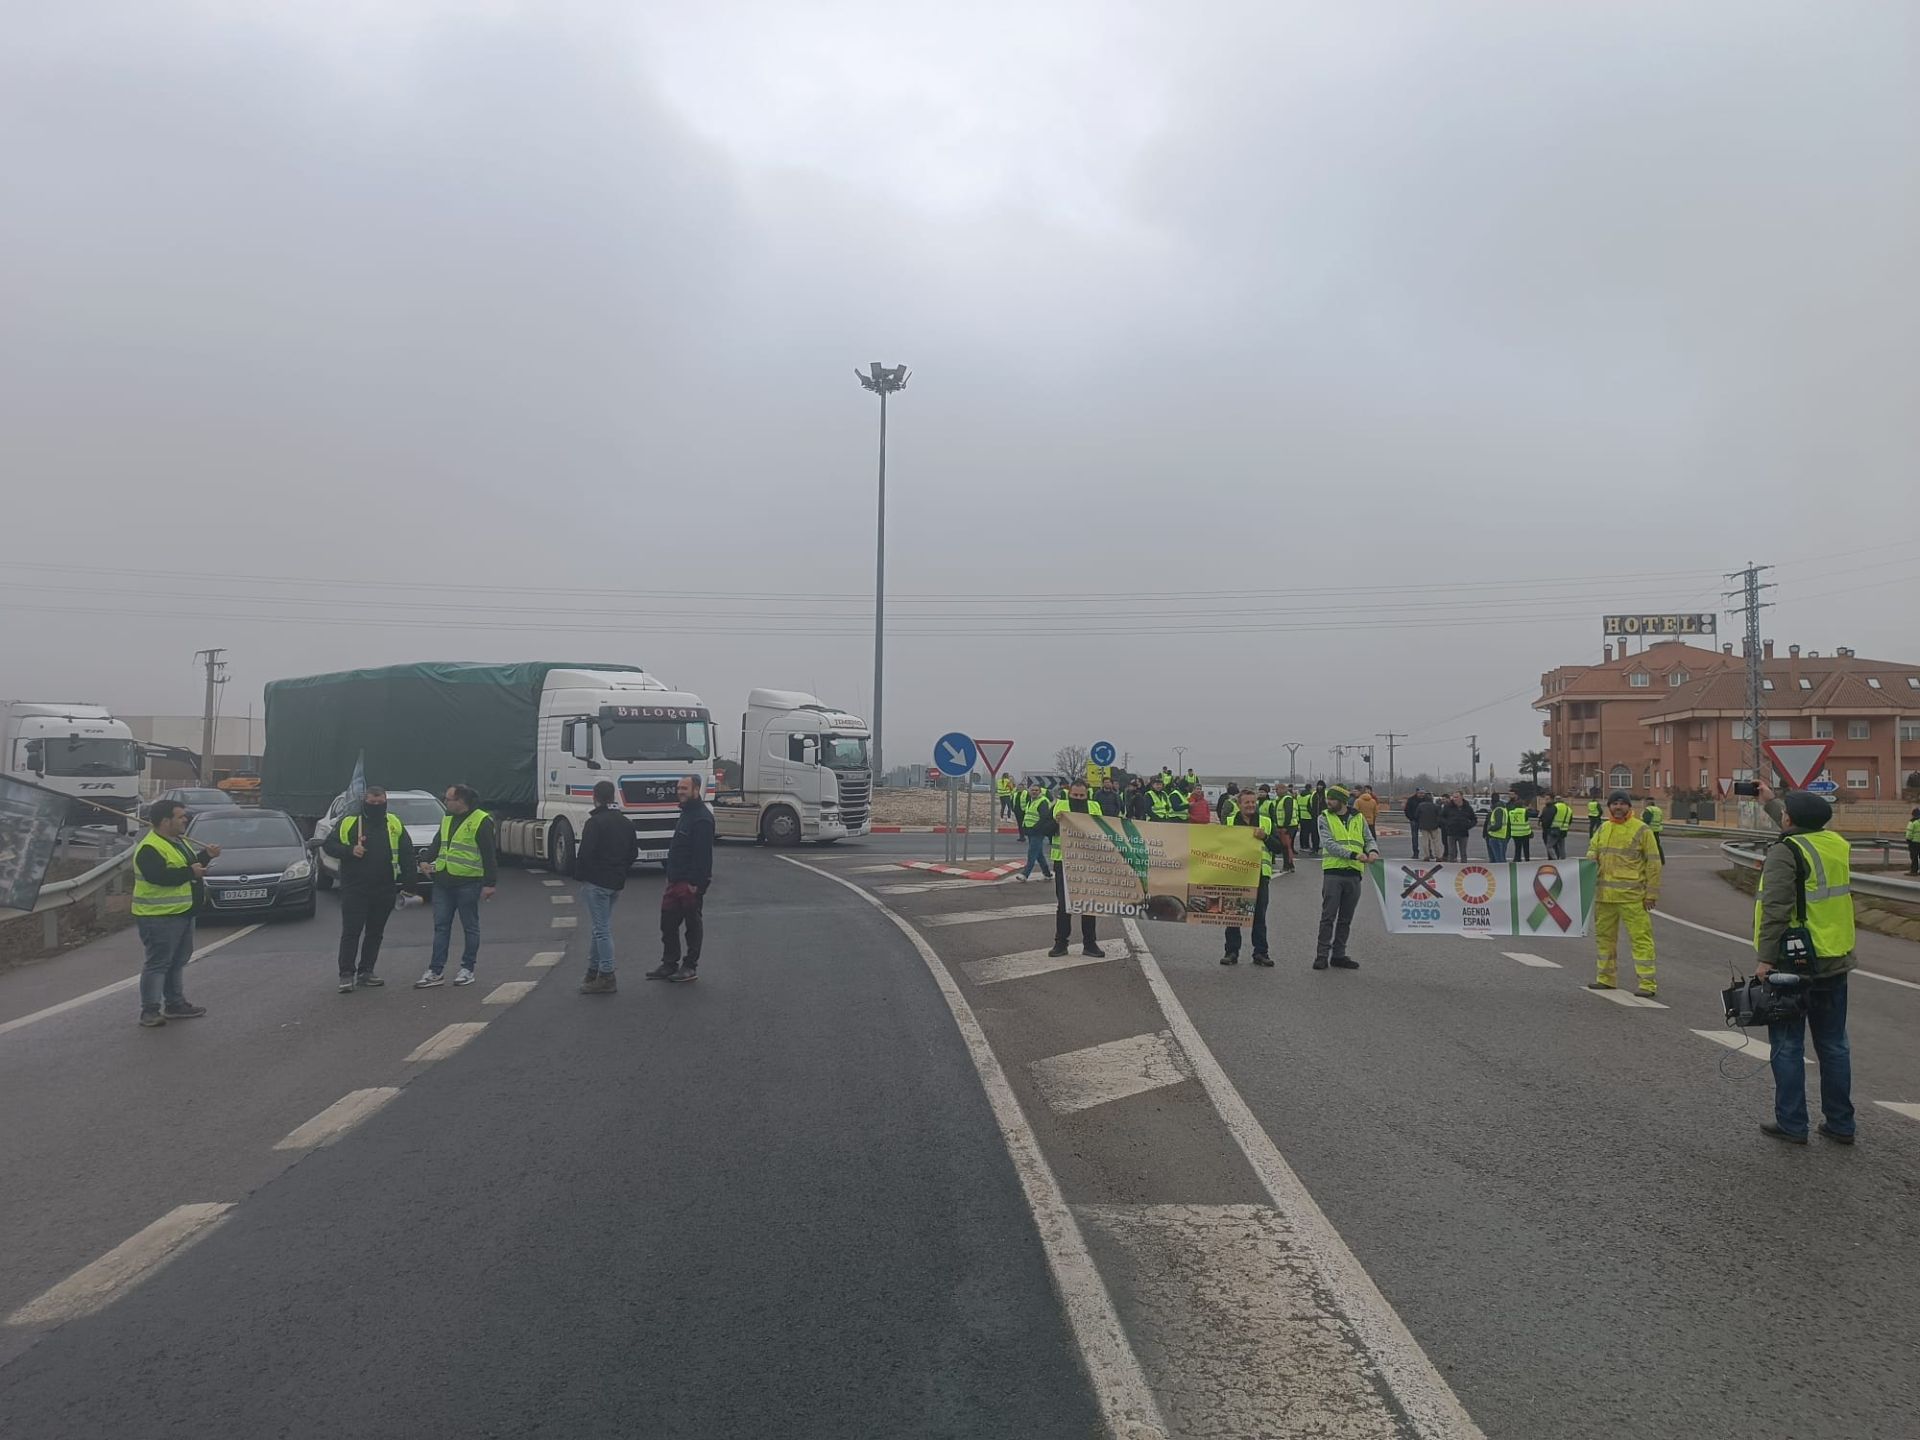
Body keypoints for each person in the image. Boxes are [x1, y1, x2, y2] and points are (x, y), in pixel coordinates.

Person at [1753, 782, 1855, 1145]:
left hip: (1793, 963)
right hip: (1835, 959)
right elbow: (1803, 831)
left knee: (1787, 1044)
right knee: (1833, 1044)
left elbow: (1776, 909)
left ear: (1790, 820)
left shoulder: (1785, 851)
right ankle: (1841, 1124)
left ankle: (1793, 1124)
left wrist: (1765, 959)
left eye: (1783, 814)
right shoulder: (1836, 844)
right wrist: (1770, 802)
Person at [131, 798, 217, 1027]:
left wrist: (206, 856)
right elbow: (159, 876)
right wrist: (191, 872)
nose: (185, 819)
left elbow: (188, 865)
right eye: (180, 816)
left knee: (177, 961)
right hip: (158, 916)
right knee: (158, 963)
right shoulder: (150, 847)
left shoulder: (178, 841)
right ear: (166, 821)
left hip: (182, 912)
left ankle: (175, 1004)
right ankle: (149, 1011)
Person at [324, 785, 415, 994]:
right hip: (355, 887)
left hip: (384, 887)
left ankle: (366, 971)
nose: (376, 806)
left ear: (385, 802)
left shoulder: (394, 822)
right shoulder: (349, 821)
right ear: (364, 802)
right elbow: (329, 845)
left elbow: (407, 853)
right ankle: (346, 974)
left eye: (380, 802)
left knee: (375, 933)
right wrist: (349, 850)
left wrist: (410, 884)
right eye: (372, 803)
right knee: (352, 931)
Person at [415, 783, 497, 988]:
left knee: (470, 927)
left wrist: (490, 884)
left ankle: (467, 969)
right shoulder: (447, 818)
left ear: (461, 801)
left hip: (468, 882)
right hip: (443, 881)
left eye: (448, 799)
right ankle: (435, 971)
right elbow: (438, 843)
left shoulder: (481, 821)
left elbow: (489, 854)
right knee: (441, 926)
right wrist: (424, 859)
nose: (445, 801)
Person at [1585, 790, 1661, 998]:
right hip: (1604, 896)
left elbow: (1654, 864)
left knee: (1640, 939)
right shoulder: (1603, 829)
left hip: (1632, 896)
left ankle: (1647, 983)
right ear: (1609, 807)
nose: (1618, 807)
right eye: (1614, 803)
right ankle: (1606, 979)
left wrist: (1651, 894)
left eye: (1622, 803)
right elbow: (1592, 853)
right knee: (1603, 938)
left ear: (1629, 806)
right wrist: (1591, 859)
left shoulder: (1641, 830)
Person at [575, 779, 639, 994]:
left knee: (601, 930)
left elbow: (585, 854)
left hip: (597, 882)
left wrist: (584, 876)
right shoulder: (625, 822)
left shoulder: (595, 823)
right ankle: (592, 971)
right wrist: (619, 870)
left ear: (595, 796)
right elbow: (633, 853)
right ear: (613, 796)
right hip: (616, 882)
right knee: (598, 927)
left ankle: (607, 974)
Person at [650, 774, 714, 982]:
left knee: (692, 925)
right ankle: (669, 963)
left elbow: (703, 855)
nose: (680, 791)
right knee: (667, 923)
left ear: (696, 790)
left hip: (689, 883)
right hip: (675, 881)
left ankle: (689, 966)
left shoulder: (702, 818)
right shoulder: (686, 813)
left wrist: (697, 884)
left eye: (684, 788)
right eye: (679, 788)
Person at [1312, 786, 1378, 971]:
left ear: (1341, 800)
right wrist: (1353, 855)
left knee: (1346, 918)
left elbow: (1368, 838)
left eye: (1332, 799)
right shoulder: (1324, 817)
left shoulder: (1358, 817)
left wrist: (1372, 851)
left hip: (1354, 874)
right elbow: (1329, 844)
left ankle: (1339, 954)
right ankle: (1322, 955)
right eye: (1328, 799)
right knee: (1328, 917)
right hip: (1334, 872)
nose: (1328, 802)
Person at [1047, 780, 1106, 959]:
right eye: (1075, 795)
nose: (1078, 799)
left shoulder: (1095, 807)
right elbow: (1043, 829)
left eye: (1082, 796)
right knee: (1064, 905)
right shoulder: (1060, 806)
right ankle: (1060, 943)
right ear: (1069, 793)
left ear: (1087, 794)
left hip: (1089, 863)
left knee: (1088, 904)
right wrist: (1056, 823)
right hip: (1064, 863)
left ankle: (1089, 944)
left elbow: (1104, 831)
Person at [1221, 791, 1279, 966]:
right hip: (1236, 874)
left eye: (1253, 802)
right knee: (1233, 915)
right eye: (1247, 802)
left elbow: (1278, 847)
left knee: (1259, 916)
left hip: (1260, 875)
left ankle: (1260, 953)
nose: (1251, 805)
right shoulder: (1230, 822)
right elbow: (1219, 845)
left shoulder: (1266, 822)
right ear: (1239, 804)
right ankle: (1231, 952)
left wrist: (1265, 837)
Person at [1017, 779, 1053, 881]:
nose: (1034, 792)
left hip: (1038, 832)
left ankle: (1025, 874)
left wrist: (1035, 828)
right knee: (1039, 854)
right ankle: (1047, 874)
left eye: (1036, 790)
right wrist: (1025, 827)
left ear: (1040, 792)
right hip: (1030, 831)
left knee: (1032, 853)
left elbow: (1044, 817)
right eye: (1032, 790)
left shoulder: (1043, 802)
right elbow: (1028, 815)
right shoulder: (1031, 801)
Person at [1441, 792, 1476, 862]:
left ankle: (1463, 867)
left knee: (1463, 853)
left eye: (1456, 797)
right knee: (1451, 853)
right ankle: (1452, 869)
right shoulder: (1448, 807)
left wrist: (1468, 826)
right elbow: (1441, 817)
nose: (1454, 799)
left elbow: (1474, 819)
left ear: (1461, 797)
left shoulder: (1468, 807)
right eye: (1454, 797)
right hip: (1451, 832)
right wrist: (1448, 824)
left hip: (1463, 833)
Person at [1542, 792, 1574, 861]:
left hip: (1554, 830)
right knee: (1562, 847)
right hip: (1564, 830)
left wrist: (1546, 827)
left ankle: (1555, 860)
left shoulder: (1555, 807)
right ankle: (1563, 860)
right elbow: (1570, 820)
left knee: (1549, 846)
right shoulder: (1568, 808)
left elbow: (1549, 818)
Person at [1415, 792, 1443, 861]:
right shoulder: (1436, 806)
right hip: (1434, 826)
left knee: (1425, 842)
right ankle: (1438, 856)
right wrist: (1438, 824)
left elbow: (1416, 816)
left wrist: (1420, 822)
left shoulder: (1420, 805)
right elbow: (1440, 816)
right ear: (1432, 799)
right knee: (1436, 842)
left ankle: (1426, 856)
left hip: (1423, 826)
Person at [1506, 797, 1533, 862]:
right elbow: (1527, 819)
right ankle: (1527, 859)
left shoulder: (1511, 812)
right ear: (1522, 805)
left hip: (1515, 833)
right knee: (1526, 848)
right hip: (1525, 833)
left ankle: (1517, 859)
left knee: (1517, 848)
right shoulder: (1524, 811)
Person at [1485, 793, 1508, 862]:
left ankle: (1500, 872)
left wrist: (1489, 828)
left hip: (1496, 837)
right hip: (1501, 836)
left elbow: (1498, 825)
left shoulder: (1498, 810)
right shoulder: (1503, 809)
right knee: (1500, 859)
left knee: (1497, 860)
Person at [1402, 789, 1424, 858]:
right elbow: (1407, 810)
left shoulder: (1426, 799)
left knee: (1427, 837)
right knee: (1414, 837)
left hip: (1424, 821)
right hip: (1414, 821)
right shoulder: (1411, 800)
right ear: (1417, 793)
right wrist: (1411, 818)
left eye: (1423, 793)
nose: (1422, 795)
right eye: (1420, 793)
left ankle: (1429, 853)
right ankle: (1415, 853)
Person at [1907, 807, 1920, 876]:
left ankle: (1914, 871)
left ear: (1913, 814)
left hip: (1914, 842)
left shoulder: (1912, 822)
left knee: (1914, 857)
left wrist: (1908, 839)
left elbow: (1909, 832)